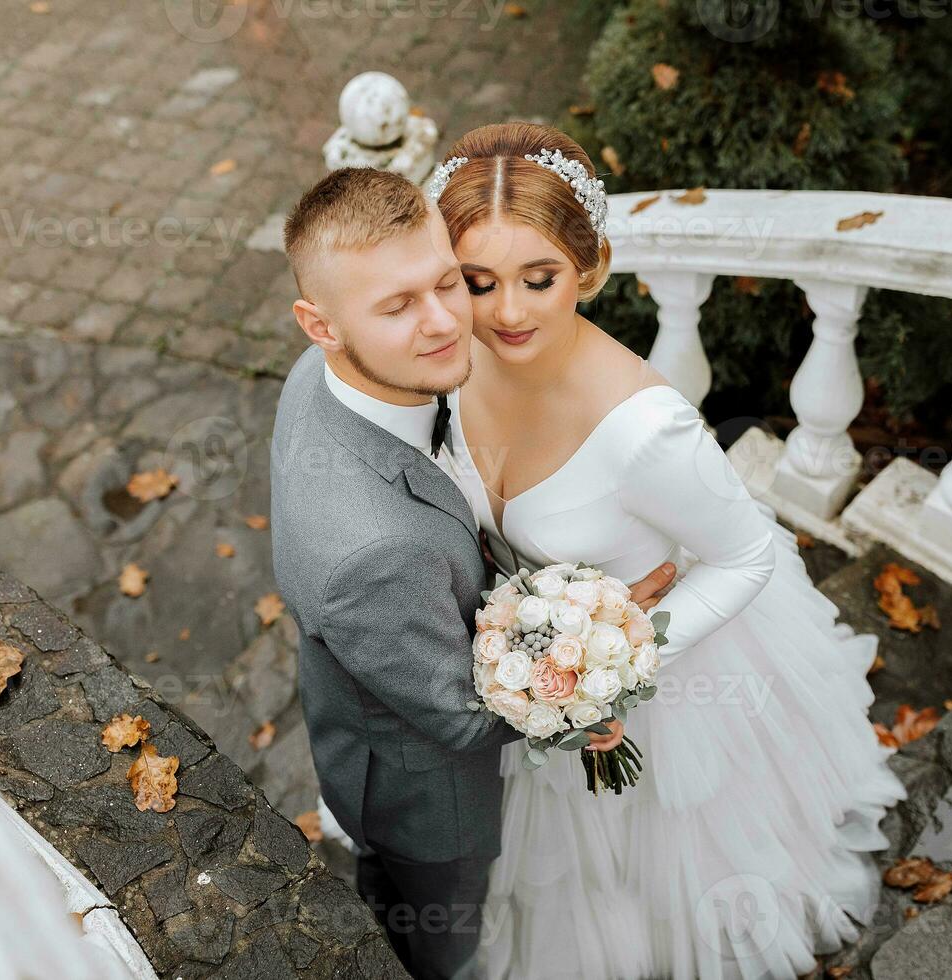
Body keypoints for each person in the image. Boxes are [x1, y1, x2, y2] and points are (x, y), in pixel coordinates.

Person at [429, 122, 910, 979]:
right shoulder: (453, 359)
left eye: (539, 280)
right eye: (478, 282)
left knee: (651, 871)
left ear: (593, 268)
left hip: (652, 686)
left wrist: (614, 659)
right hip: (529, 670)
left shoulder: (647, 432)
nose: (506, 312)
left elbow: (746, 557)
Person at [269, 166, 675, 980]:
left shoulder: (323, 377)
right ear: (320, 325)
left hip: (372, 694)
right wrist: (589, 659)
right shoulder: (372, 553)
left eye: (447, 282)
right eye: (397, 307)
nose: (446, 322)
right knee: (440, 937)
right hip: (431, 799)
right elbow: (460, 718)